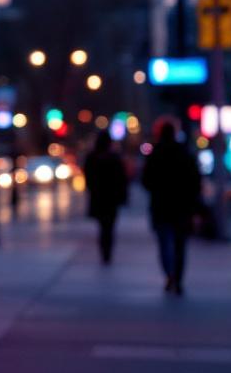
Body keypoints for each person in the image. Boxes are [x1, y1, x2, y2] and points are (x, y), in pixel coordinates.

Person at [141, 119, 200, 295]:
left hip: (161, 206)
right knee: (180, 245)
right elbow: (195, 180)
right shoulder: (184, 153)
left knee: (164, 244)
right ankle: (178, 278)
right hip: (181, 207)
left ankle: (170, 275)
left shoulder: (155, 153)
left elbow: (146, 180)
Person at [84, 132, 128, 264]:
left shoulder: (92, 157)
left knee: (103, 226)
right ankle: (107, 251)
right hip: (111, 198)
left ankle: (105, 251)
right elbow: (122, 178)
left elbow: (88, 178)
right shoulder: (114, 158)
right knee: (109, 226)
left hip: (99, 197)